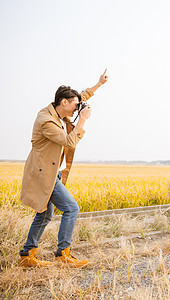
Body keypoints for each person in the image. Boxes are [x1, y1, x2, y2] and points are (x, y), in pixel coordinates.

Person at [18, 70, 108, 268]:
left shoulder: (59, 110)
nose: (78, 108)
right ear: (64, 103)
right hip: (43, 174)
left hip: (51, 172)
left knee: (45, 214)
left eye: (78, 105)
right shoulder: (46, 120)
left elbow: (82, 95)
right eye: (75, 105)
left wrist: (98, 84)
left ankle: (26, 255)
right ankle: (62, 255)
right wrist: (83, 120)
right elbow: (69, 141)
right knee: (71, 208)